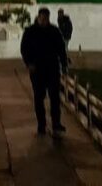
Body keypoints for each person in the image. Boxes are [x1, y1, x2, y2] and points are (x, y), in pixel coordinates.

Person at [21, 8, 69, 137]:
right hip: (37, 69)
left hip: (52, 68)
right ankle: (41, 124)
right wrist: (29, 63)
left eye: (46, 19)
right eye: (42, 18)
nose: (44, 21)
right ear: (38, 17)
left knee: (55, 97)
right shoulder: (30, 31)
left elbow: (61, 49)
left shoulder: (54, 31)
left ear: (48, 18)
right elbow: (24, 49)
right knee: (39, 97)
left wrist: (64, 65)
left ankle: (56, 123)